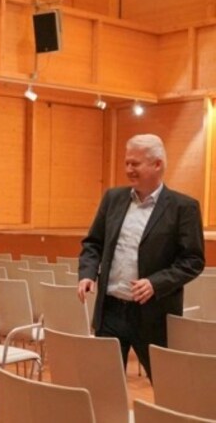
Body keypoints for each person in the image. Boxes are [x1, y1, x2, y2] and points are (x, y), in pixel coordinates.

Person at [78, 133, 204, 380]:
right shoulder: (113, 198)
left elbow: (193, 261)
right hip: (111, 311)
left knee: (169, 387)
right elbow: (93, 243)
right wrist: (87, 273)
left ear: (157, 164)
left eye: (135, 163)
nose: (128, 169)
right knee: (104, 385)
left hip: (153, 315)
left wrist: (155, 283)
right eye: (127, 163)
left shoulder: (183, 207)